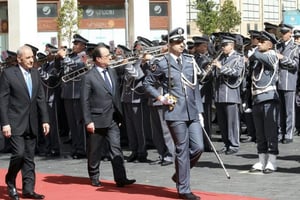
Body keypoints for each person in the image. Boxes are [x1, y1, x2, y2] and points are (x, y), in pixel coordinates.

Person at [143, 27, 205, 200]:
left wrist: (200, 111)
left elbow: (195, 88)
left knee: (199, 147)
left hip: (192, 111)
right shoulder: (161, 62)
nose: (181, 45)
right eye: (177, 42)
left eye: (182, 42)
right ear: (169, 44)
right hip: (175, 111)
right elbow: (147, 83)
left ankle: (179, 174)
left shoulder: (189, 60)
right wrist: (160, 97)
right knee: (182, 149)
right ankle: (184, 188)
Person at [80, 45, 136, 188]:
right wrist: (88, 121)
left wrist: (119, 115)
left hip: (112, 118)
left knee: (116, 149)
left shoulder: (111, 72)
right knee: (95, 150)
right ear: (98, 59)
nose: (110, 57)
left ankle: (121, 178)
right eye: (106, 56)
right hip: (96, 119)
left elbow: (115, 95)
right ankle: (94, 176)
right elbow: (84, 101)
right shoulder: (88, 77)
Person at [0, 45, 50, 200]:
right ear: (19, 59)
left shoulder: (35, 73)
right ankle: (11, 180)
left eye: (32, 57)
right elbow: (3, 101)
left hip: (32, 122)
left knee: (29, 158)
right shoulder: (8, 74)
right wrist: (5, 123)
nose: (31, 60)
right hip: (15, 122)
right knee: (19, 154)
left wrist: (45, 120)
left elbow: (41, 98)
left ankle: (29, 189)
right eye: (28, 57)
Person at [248, 31, 280, 173]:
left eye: (262, 42)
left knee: (270, 132)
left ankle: (272, 162)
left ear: (270, 44)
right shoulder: (257, 58)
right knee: (260, 133)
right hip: (257, 99)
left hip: (269, 98)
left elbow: (265, 60)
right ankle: (262, 161)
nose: (258, 44)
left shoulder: (272, 55)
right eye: (258, 41)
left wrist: (254, 53)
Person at [56, 34, 88, 159]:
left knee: (79, 123)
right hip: (68, 93)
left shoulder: (84, 56)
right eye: (74, 43)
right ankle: (75, 147)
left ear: (83, 46)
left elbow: (79, 66)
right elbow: (59, 70)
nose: (73, 46)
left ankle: (82, 148)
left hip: (78, 94)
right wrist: (58, 58)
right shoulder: (71, 57)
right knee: (72, 124)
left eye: (76, 44)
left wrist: (64, 58)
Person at [213, 34, 245, 155]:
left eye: (225, 45)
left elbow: (236, 72)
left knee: (232, 123)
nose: (223, 48)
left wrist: (221, 67)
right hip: (220, 95)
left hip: (231, 94)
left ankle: (234, 145)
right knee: (222, 123)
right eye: (222, 45)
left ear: (232, 46)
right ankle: (226, 144)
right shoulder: (221, 58)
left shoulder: (238, 58)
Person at [277, 23, 299, 144]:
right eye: (282, 32)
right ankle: (281, 132)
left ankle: (289, 133)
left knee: (289, 110)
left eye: (285, 32)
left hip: (289, 81)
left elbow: (295, 64)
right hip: (279, 82)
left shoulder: (295, 47)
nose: (283, 35)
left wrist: (282, 58)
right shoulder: (278, 46)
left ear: (290, 33)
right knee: (280, 110)